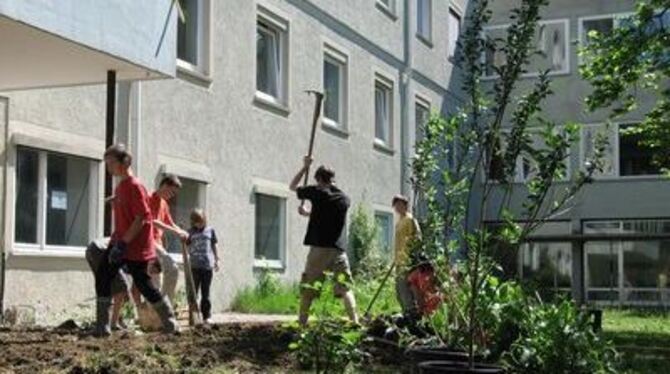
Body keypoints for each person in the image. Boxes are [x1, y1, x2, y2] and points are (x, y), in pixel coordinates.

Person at [94, 144, 179, 337]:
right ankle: (102, 327)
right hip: (120, 240)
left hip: (134, 246)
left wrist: (123, 244)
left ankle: (170, 322)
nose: (108, 167)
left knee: (144, 285)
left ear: (124, 162)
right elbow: (130, 208)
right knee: (103, 277)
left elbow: (141, 218)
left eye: (111, 163)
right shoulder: (122, 186)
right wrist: (116, 201)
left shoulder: (135, 186)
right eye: (106, 163)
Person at [289, 156, 359, 326]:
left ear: (319, 179)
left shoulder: (317, 191)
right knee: (345, 288)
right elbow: (326, 216)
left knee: (309, 288)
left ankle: (302, 323)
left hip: (319, 249)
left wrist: (305, 167)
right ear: (333, 179)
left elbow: (293, 187)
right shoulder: (344, 199)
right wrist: (308, 214)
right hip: (338, 251)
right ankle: (355, 321)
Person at [146, 174, 189, 303]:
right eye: (171, 192)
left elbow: (169, 222)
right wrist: (176, 232)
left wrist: (182, 231)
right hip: (149, 242)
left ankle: (156, 313)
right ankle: (164, 306)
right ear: (164, 185)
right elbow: (153, 221)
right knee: (172, 268)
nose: (172, 196)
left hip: (158, 244)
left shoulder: (164, 204)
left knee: (155, 281)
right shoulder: (148, 198)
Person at [85, 238, 132, 331]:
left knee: (106, 286)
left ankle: (104, 324)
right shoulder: (136, 249)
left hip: (91, 249)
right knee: (122, 287)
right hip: (100, 250)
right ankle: (113, 323)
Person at [186, 208, 220, 323]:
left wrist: (217, 259)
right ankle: (193, 317)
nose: (199, 224)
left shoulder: (210, 231)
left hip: (207, 267)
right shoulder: (190, 232)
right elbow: (185, 246)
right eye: (196, 222)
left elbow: (214, 245)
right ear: (193, 222)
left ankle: (206, 316)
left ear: (205, 220)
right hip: (194, 267)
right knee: (193, 293)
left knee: (206, 293)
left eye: (201, 222)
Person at [392, 194, 422, 319]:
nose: (397, 207)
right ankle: (407, 312)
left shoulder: (410, 220)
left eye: (400, 204)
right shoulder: (399, 221)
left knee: (404, 289)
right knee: (399, 290)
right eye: (395, 205)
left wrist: (408, 253)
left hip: (407, 260)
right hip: (399, 260)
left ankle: (412, 315)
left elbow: (417, 238)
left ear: (405, 205)